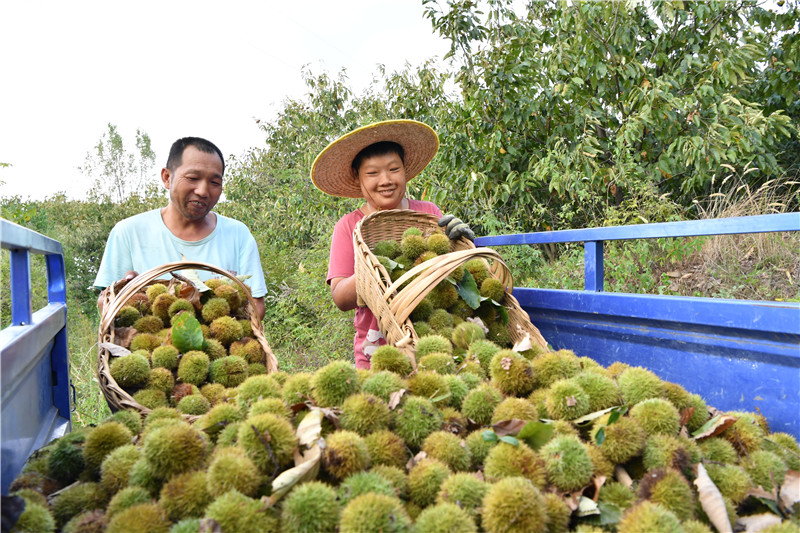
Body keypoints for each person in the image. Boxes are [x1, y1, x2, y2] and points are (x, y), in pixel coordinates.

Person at [310, 120, 472, 369]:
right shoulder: (348, 226)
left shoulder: (428, 213)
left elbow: (455, 273)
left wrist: (461, 245)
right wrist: (372, 270)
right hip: (377, 352)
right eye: (373, 173)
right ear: (358, 178)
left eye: (393, 169)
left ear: (405, 171)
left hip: (434, 343)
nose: (385, 180)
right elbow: (340, 298)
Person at [93, 136, 267, 320]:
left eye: (214, 183)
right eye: (193, 178)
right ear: (167, 178)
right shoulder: (128, 232)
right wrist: (129, 293)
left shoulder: (238, 234)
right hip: (145, 343)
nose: (203, 191)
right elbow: (105, 302)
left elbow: (256, 304)